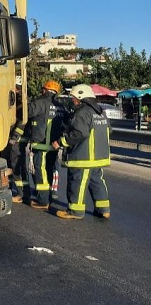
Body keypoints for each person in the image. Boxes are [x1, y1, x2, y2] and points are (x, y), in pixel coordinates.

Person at [51, 84, 111, 220]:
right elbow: (109, 131)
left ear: (81, 97)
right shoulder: (100, 111)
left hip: (83, 156)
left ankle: (75, 211)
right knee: (97, 182)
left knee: (77, 182)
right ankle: (104, 210)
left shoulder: (83, 113)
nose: (72, 100)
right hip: (98, 156)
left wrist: (61, 142)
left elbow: (79, 133)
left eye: (74, 98)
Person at [10, 80, 68, 210]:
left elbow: (26, 113)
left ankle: (42, 200)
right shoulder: (61, 106)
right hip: (53, 146)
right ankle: (49, 197)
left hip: (41, 145)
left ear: (44, 90)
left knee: (40, 172)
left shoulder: (40, 103)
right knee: (49, 171)